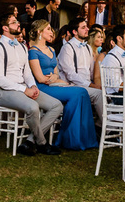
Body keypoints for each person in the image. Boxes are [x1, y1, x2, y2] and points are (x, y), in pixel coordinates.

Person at [0, 12, 64, 155]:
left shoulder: (22, 47)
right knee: (33, 107)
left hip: (23, 88)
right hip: (2, 92)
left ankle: (30, 141)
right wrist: (24, 89)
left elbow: (27, 72)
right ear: (5, 28)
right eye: (14, 22)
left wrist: (33, 86)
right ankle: (42, 143)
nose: (18, 24)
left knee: (56, 105)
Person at [26, 19, 97, 150]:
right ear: (39, 32)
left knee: (81, 93)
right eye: (48, 29)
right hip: (42, 88)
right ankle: (69, 138)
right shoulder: (33, 51)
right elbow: (40, 78)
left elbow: (56, 73)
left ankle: (78, 139)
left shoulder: (52, 49)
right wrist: (53, 78)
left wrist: (54, 77)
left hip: (54, 84)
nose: (51, 31)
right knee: (80, 92)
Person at [60, 16, 105, 123]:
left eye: (87, 27)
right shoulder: (67, 48)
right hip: (72, 86)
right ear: (75, 32)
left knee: (105, 92)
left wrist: (97, 84)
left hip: (86, 85)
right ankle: (107, 127)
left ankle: (99, 125)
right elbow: (70, 74)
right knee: (99, 94)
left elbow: (91, 71)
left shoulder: (88, 48)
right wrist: (90, 85)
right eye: (83, 27)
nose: (87, 29)